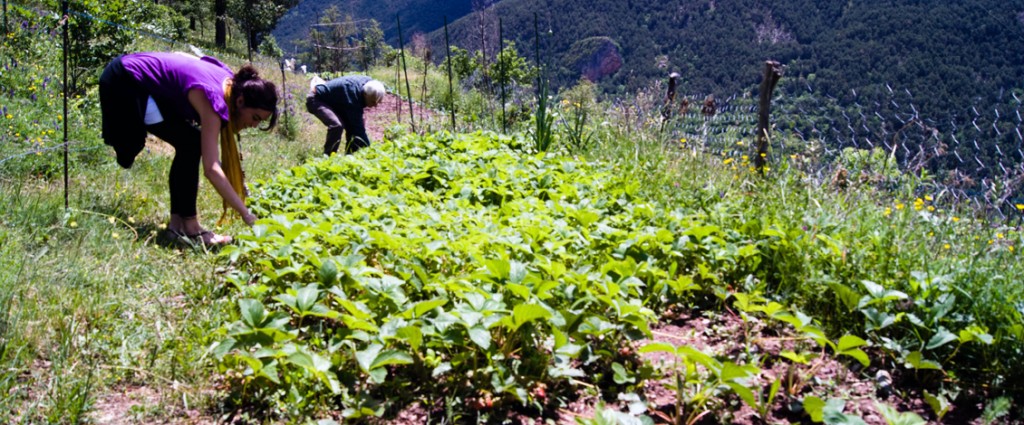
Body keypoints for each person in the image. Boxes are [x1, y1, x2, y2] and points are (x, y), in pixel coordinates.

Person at [98, 51, 279, 246]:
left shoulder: (231, 84)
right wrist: (246, 214)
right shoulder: (214, 99)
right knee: (136, 151)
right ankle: (191, 229)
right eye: (255, 118)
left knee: (190, 143)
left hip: (135, 74)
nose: (253, 125)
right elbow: (211, 169)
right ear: (240, 101)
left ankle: (177, 227)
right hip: (125, 80)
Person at [305, 74, 385, 155]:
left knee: (352, 127)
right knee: (337, 126)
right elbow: (358, 129)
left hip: (337, 100)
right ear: (365, 95)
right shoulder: (353, 97)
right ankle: (328, 158)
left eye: (378, 102)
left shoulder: (369, 83)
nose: (375, 105)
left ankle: (350, 156)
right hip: (316, 99)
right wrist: (370, 150)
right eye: (372, 102)